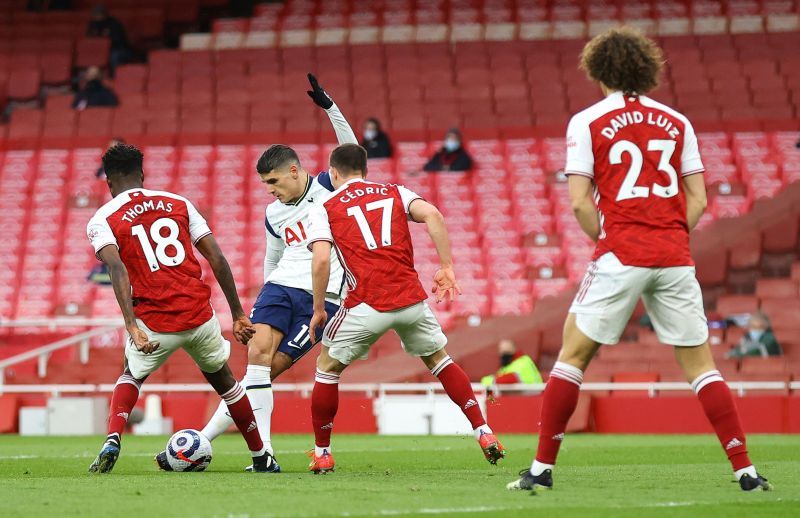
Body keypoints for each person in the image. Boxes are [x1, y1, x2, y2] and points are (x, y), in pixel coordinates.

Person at [507, 27, 771, 492]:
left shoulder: (587, 121)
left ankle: (541, 471)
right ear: (647, 68)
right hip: (673, 254)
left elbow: (580, 203)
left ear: (597, 70)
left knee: (573, 356)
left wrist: (611, 237)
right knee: (701, 366)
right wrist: (666, 233)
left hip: (621, 250)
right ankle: (746, 472)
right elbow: (699, 198)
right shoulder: (677, 122)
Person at [164, 74, 356, 471]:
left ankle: (203, 438)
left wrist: (330, 108)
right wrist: (261, 298)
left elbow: (350, 150)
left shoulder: (328, 187)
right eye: (265, 184)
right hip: (280, 288)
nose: (270, 190)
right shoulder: (273, 213)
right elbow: (273, 258)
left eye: (273, 182)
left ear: (292, 170)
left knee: (270, 371)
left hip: (324, 297)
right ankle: (263, 452)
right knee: (255, 360)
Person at [306, 143, 505, 473]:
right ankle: (483, 432)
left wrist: (317, 308)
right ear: (365, 171)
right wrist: (446, 266)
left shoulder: (324, 206)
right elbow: (433, 215)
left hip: (365, 304)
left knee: (327, 369)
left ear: (333, 173)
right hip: (411, 300)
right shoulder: (395, 191)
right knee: (440, 361)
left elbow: (322, 258)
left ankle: (322, 452)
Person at [85, 144, 277, 473]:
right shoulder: (179, 203)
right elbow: (216, 257)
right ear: (142, 175)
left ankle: (113, 438)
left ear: (109, 182)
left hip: (156, 321)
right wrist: (238, 313)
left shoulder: (102, 219)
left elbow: (116, 269)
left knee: (131, 375)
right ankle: (261, 456)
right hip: (199, 315)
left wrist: (131, 324)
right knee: (227, 384)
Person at [87, 5, 131, 73]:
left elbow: (119, 41)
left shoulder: (114, 24)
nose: (97, 17)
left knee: (114, 56)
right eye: (95, 15)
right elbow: (89, 39)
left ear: (104, 14)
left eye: (99, 14)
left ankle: (116, 76)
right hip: (99, 50)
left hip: (118, 49)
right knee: (89, 56)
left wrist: (106, 43)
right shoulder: (93, 24)